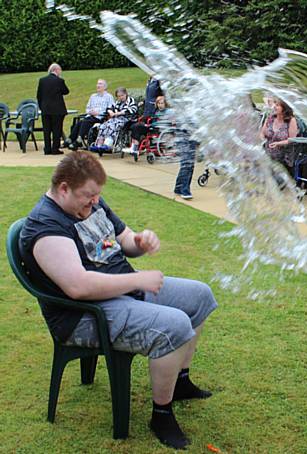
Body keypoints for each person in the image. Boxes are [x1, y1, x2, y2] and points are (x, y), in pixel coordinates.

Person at [19, 151, 217, 449]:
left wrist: (139, 242)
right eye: (88, 195)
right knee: (174, 324)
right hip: (85, 316)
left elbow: (123, 238)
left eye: (97, 195)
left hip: (121, 290)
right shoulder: (45, 226)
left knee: (199, 296)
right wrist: (138, 279)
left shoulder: (90, 203)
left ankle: (180, 382)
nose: (95, 201)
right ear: (63, 189)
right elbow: (78, 286)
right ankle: (161, 415)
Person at [65, 79, 115, 151]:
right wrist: (90, 111)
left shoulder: (109, 97)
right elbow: (87, 108)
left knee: (85, 122)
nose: (98, 85)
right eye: (97, 84)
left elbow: (111, 108)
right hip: (90, 116)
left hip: (100, 117)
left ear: (105, 87)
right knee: (79, 123)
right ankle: (71, 139)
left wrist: (99, 113)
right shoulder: (93, 96)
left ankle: (79, 140)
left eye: (100, 84)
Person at [89, 87, 137, 152]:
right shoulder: (117, 102)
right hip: (115, 119)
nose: (121, 97)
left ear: (126, 94)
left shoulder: (131, 101)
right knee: (104, 125)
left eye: (122, 95)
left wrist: (118, 113)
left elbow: (132, 110)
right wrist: (110, 112)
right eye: (119, 96)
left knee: (113, 125)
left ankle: (108, 144)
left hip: (127, 119)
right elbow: (109, 108)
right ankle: (98, 144)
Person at [36, 63, 69, 155]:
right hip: (57, 109)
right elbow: (66, 91)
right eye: (60, 70)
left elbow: (39, 96)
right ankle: (55, 148)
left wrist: (41, 107)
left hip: (45, 109)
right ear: (56, 70)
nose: (60, 72)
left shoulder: (42, 81)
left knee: (46, 130)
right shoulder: (59, 81)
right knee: (57, 129)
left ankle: (47, 148)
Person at [260, 98, 299, 173]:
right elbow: (262, 133)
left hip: (284, 160)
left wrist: (278, 143)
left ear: (284, 108)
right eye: (274, 104)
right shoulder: (270, 117)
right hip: (268, 156)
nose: (274, 106)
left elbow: (292, 139)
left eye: (277, 105)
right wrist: (262, 140)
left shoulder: (291, 120)